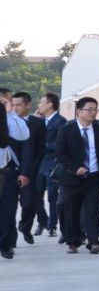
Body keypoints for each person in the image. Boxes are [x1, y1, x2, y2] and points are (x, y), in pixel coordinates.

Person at [55, 97, 99, 255]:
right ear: (79, 111)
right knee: (71, 210)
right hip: (72, 177)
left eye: (95, 109)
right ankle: (73, 241)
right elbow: (60, 153)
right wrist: (75, 168)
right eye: (89, 109)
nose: (93, 112)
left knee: (92, 210)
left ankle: (94, 241)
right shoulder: (66, 130)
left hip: (94, 177)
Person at [13, 92, 46, 247]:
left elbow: (41, 148)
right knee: (8, 207)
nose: (15, 108)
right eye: (13, 105)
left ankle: (25, 227)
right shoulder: (7, 122)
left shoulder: (37, 123)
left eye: (19, 105)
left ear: (28, 105)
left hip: (30, 171)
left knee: (28, 203)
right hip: (10, 170)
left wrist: (33, 167)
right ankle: (9, 240)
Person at [0, 90, 29, 259]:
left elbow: (23, 135)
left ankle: (5, 245)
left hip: (7, 170)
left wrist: (9, 113)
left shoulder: (8, 118)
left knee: (8, 210)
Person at [34, 93, 65, 238]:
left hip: (53, 163)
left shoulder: (61, 121)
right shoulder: (39, 121)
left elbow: (60, 143)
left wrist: (42, 146)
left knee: (52, 196)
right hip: (39, 163)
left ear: (50, 104)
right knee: (35, 194)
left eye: (41, 102)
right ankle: (43, 220)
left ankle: (52, 225)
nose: (39, 105)